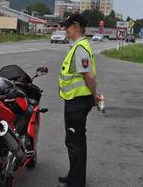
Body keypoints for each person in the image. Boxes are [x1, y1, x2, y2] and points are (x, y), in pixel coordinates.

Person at [58, 14, 103, 187]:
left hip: (77, 102)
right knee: (72, 141)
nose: (65, 29)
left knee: (75, 143)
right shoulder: (78, 46)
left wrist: (94, 95)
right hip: (75, 101)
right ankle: (73, 176)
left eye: (67, 26)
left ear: (76, 27)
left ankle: (76, 182)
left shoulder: (80, 48)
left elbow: (89, 77)